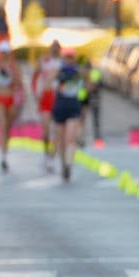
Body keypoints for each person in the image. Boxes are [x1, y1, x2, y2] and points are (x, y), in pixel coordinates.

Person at [51, 51, 85, 181]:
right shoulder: (59, 71)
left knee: (70, 138)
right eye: (67, 57)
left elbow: (88, 86)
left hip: (73, 106)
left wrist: (82, 99)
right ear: (63, 58)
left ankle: (68, 164)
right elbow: (48, 82)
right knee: (60, 140)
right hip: (60, 106)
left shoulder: (78, 71)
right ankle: (63, 163)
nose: (69, 60)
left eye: (71, 58)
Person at [0, 41, 24, 172]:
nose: (4, 55)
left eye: (6, 52)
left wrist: (10, 75)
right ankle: (3, 157)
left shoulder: (14, 66)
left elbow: (19, 83)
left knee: (8, 128)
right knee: (3, 125)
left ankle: (5, 153)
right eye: (2, 52)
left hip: (11, 98)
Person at [32, 40, 63, 171]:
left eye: (57, 47)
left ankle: (51, 158)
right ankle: (46, 154)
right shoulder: (44, 60)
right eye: (53, 47)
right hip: (45, 97)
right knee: (45, 131)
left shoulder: (62, 63)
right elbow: (34, 77)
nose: (55, 49)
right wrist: (35, 93)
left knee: (57, 131)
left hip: (57, 98)